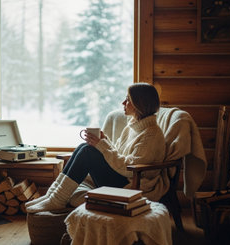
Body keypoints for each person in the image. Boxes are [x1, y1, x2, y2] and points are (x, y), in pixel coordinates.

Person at [26, 83, 166, 213]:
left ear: (139, 104)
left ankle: (57, 200)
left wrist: (101, 145)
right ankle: (52, 195)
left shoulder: (152, 134)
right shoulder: (133, 127)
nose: (123, 103)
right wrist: (104, 141)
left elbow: (129, 168)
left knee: (89, 152)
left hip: (131, 184)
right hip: (122, 176)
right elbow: (118, 155)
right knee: (84, 146)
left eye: (128, 100)